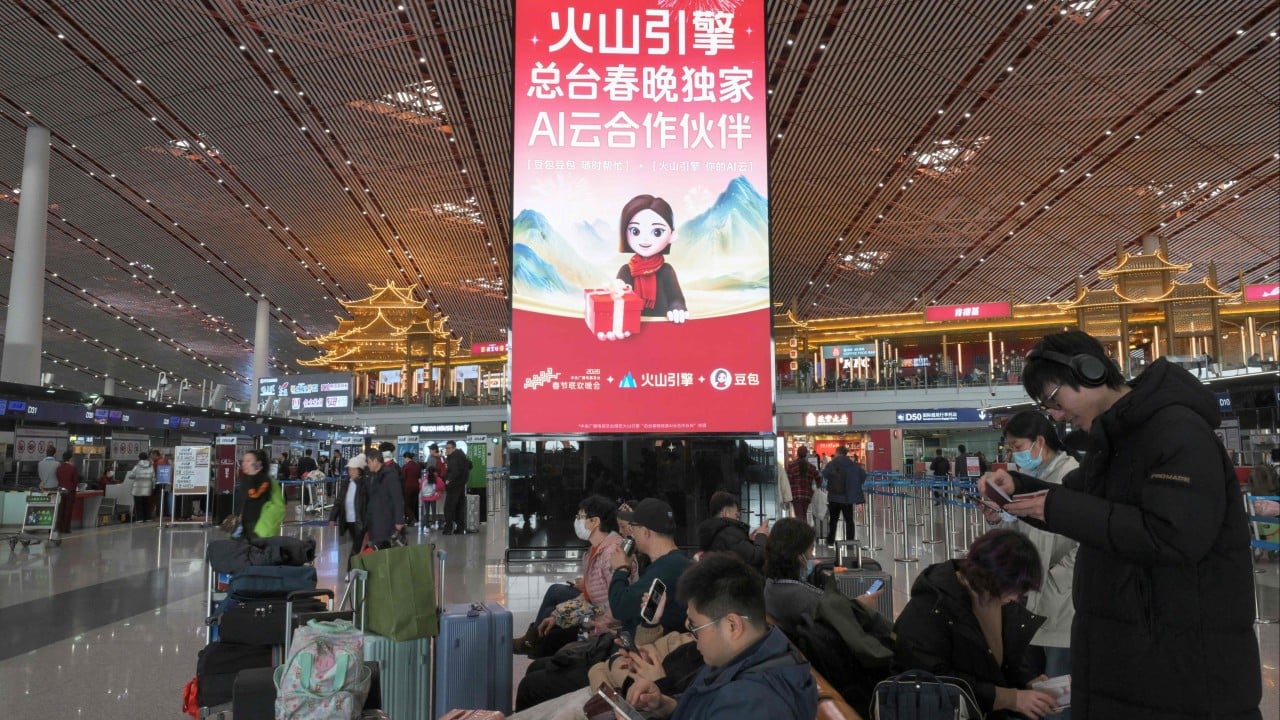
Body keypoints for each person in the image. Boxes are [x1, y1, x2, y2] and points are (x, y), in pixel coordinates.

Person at [981, 329, 1262, 718]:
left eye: (1054, 400)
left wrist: (1056, 507)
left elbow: (1175, 535)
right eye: (1047, 407)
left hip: (1182, 664)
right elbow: (1079, 500)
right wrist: (1016, 488)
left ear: (1090, 371)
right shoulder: (1113, 439)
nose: (1056, 415)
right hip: (1130, 651)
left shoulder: (1176, 430)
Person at [624, 553, 818, 719]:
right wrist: (666, 705)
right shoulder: (742, 656)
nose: (692, 635)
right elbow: (702, 705)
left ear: (732, 626)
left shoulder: (750, 704)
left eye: (695, 626)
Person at [894, 529, 1056, 719]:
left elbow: (995, 661)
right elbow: (931, 681)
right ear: (993, 577)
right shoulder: (930, 608)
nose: (1016, 598)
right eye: (1014, 590)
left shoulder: (996, 599)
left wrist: (1027, 681)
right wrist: (1012, 699)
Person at [997, 411, 1079, 699]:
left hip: (1061, 598)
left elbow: (1086, 540)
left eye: (1017, 447)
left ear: (1039, 442)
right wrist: (1000, 517)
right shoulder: (1031, 477)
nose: (1014, 454)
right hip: (1030, 595)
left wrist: (1056, 576)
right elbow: (1026, 530)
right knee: (1035, 684)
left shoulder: (1070, 477)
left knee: (1058, 687)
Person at [513, 495, 634, 656]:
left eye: (580, 516)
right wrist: (558, 615)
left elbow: (618, 605)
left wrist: (590, 625)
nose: (577, 521)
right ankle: (533, 643)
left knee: (552, 639)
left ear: (595, 521)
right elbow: (588, 596)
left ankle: (533, 645)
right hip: (595, 613)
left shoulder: (611, 553)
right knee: (551, 620)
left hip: (605, 626)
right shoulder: (594, 551)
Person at [610, 498, 692, 636]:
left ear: (646, 532)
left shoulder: (667, 569)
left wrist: (621, 569)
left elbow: (620, 607)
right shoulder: (674, 563)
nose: (631, 533)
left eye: (633, 527)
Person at [695, 491, 769, 569]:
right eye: (736, 515)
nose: (738, 519)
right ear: (725, 513)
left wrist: (748, 541)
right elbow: (756, 558)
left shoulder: (712, 533)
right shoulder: (729, 533)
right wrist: (762, 535)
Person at [329, 455, 368, 571]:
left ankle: (350, 571)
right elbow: (339, 500)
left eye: (354, 470)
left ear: (360, 470)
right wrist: (332, 518)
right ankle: (362, 568)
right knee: (360, 545)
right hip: (348, 520)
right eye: (350, 469)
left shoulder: (365, 483)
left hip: (360, 520)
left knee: (356, 547)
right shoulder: (346, 482)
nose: (351, 472)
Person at [820, 445, 865, 546]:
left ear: (837, 452)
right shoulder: (852, 464)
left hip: (834, 497)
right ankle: (850, 541)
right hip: (847, 498)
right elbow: (862, 475)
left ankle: (830, 540)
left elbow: (825, 474)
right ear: (845, 453)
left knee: (833, 520)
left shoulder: (832, 463)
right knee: (849, 520)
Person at [362, 449, 404, 548]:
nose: (368, 464)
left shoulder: (390, 475)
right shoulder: (372, 476)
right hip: (374, 520)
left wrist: (399, 521)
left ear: (375, 461)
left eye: (369, 462)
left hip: (386, 521)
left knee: (384, 548)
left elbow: (397, 499)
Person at [237, 449, 282, 540]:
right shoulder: (245, 479)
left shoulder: (264, 480)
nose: (244, 464)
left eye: (248, 461)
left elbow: (254, 495)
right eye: (243, 461)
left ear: (258, 464)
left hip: (259, 525)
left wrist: (252, 476)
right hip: (244, 523)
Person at [441, 440, 472, 534]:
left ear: (454, 448)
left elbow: (455, 471)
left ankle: (448, 528)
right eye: (446, 448)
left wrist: (448, 480)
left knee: (448, 507)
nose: (447, 450)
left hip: (454, 486)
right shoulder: (462, 456)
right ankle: (460, 528)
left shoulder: (454, 457)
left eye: (449, 448)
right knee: (459, 507)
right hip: (461, 485)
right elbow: (470, 465)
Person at [784, 446, 819, 524]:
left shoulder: (792, 466)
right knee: (803, 514)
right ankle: (804, 528)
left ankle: (802, 530)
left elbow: (788, 481)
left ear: (797, 453)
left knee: (799, 516)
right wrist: (816, 488)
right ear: (806, 454)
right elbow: (819, 479)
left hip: (795, 495)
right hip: (807, 495)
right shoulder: (812, 467)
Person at [54, 451, 81, 534]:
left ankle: (59, 527)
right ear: (70, 458)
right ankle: (66, 528)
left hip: (61, 491)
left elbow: (58, 478)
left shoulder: (59, 468)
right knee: (68, 510)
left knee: (60, 509)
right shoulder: (73, 468)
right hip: (70, 491)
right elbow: (75, 481)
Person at [125, 452, 155, 523]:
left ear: (139, 458)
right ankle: (148, 518)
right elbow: (153, 477)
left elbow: (130, 476)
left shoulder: (137, 466)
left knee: (138, 504)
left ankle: (140, 519)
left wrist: (138, 476)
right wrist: (153, 486)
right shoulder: (151, 466)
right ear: (147, 458)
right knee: (146, 503)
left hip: (138, 488)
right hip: (148, 488)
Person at [401, 451, 421, 525]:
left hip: (408, 487)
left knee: (407, 504)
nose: (404, 460)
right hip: (416, 487)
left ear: (406, 458)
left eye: (404, 458)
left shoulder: (405, 466)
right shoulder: (417, 466)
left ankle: (411, 518)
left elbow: (403, 477)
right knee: (414, 503)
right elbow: (419, 476)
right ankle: (415, 519)